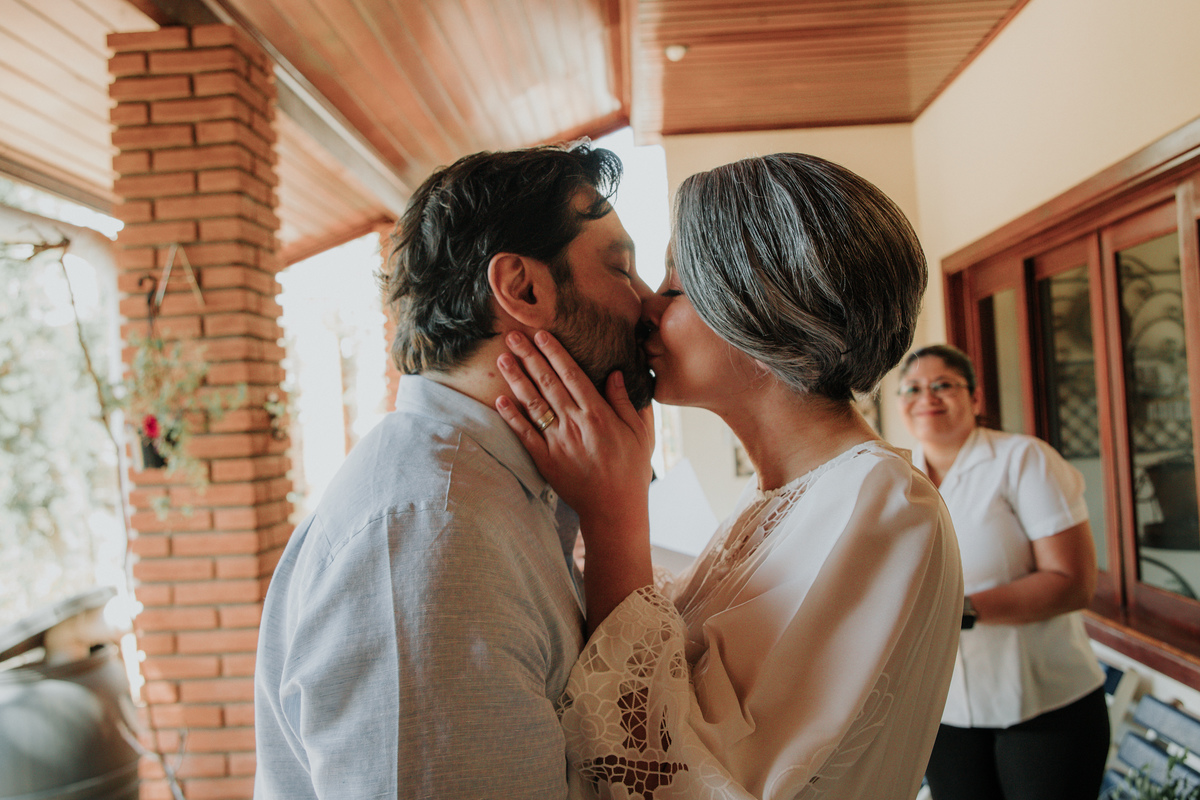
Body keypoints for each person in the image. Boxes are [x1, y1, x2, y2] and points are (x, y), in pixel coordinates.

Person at [492, 153, 965, 800]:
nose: (646, 307)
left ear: (767, 311)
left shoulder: (880, 501)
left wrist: (616, 518)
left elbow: (689, 777)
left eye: (676, 287)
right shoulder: (779, 496)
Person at [253, 142, 658, 798]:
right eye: (620, 269)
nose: (647, 305)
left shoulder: (486, 494)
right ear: (523, 288)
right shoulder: (430, 535)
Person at [896, 344, 1109, 800]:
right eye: (912, 388)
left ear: (975, 399)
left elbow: (1073, 584)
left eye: (943, 385)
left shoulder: (1024, 460)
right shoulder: (895, 477)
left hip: (1042, 705)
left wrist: (955, 610)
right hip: (942, 709)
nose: (926, 397)